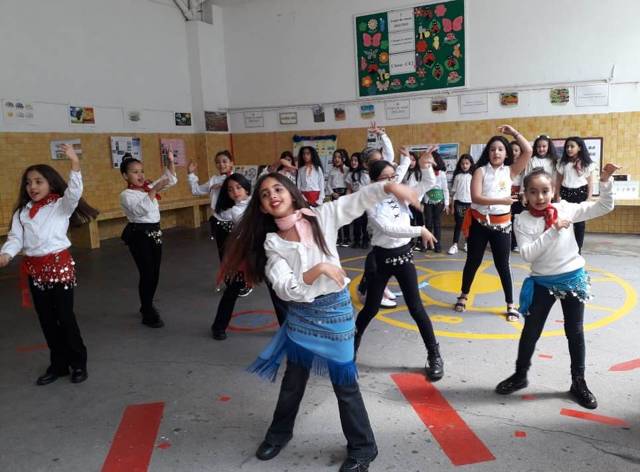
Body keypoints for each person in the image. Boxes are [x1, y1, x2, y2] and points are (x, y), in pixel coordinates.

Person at [220, 172, 419, 472]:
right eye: (265, 194)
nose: (272, 195)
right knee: (293, 381)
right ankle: (279, 434)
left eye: (278, 189)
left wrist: (389, 186)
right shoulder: (272, 242)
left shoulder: (322, 216)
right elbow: (286, 289)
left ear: (291, 193)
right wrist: (319, 269)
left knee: (345, 384)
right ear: (261, 207)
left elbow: (358, 200)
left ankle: (364, 447)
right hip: (300, 316)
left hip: (335, 313)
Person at [495, 163, 619, 409]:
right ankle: (520, 375)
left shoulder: (565, 209)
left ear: (553, 190)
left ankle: (578, 382)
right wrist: (553, 230)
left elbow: (603, 206)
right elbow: (528, 254)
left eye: (544, 191)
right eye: (533, 192)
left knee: (575, 331)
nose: (540, 197)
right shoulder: (522, 220)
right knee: (531, 330)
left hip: (573, 278)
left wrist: (605, 182)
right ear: (525, 194)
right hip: (543, 281)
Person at [0, 144, 98, 385]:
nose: (32, 187)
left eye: (38, 181)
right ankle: (58, 364)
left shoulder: (60, 205)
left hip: (59, 268)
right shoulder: (22, 213)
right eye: (28, 183)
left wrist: (75, 163)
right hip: (34, 271)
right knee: (46, 319)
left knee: (65, 316)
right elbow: (16, 238)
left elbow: (74, 193)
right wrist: (6, 254)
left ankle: (78, 362)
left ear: (51, 184)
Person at [354, 149, 443, 381]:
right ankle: (350, 350)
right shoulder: (370, 202)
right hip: (381, 260)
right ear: (374, 181)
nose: (392, 181)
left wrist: (425, 166)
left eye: (393, 177)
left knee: (416, 308)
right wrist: (420, 230)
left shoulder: (399, 193)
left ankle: (434, 354)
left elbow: (426, 185)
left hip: (403, 258)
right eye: (385, 178)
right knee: (370, 309)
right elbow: (387, 229)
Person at [454, 125, 532, 321]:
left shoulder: (510, 171)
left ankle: (510, 304)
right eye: (492, 149)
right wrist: (502, 201)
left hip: (502, 226)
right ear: (487, 153)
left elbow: (528, 151)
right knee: (473, 261)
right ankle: (463, 295)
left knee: (503, 265)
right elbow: (476, 198)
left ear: (506, 153)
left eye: (500, 149)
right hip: (480, 224)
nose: (496, 152)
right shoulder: (480, 171)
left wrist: (514, 133)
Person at [120, 151, 177, 328]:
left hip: (154, 233)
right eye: (135, 172)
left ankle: (147, 303)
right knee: (147, 273)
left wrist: (170, 162)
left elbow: (170, 179)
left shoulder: (147, 188)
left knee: (155, 273)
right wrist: (154, 189)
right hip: (139, 235)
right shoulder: (126, 195)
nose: (140, 175)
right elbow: (140, 210)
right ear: (125, 176)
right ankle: (147, 311)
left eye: (141, 171)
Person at [210, 174, 255, 339]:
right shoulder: (236, 210)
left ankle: (287, 324)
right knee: (233, 288)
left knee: (276, 290)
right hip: (246, 252)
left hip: (267, 251)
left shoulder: (257, 201)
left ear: (246, 188)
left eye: (238, 187)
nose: (235, 192)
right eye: (230, 190)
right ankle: (218, 326)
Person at [556, 137, 597, 253]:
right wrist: (557, 195)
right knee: (565, 222)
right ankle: (565, 249)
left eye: (572, 146)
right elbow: (558, 181)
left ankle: (578, 250)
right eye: (567, 147)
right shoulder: (562, 163)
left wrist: (589, 198)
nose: (569, 149)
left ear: (579, 148)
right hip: (565, 193)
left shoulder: (586, 164)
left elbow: (590, 183)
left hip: (580, 194)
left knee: (579, 224)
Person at [187, 150, 234, 248]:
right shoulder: (214, 179)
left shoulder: (236, 178)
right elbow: (196, 191)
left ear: (231, 163)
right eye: (218, 162)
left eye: (224, 161)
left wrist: (223, 185)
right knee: (222, 250)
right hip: (219, 220)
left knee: (237, 251)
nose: (221, 164)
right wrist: (190, 174)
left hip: (236, 221)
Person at [422, 151, 449, 253]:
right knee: (428, 223)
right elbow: (423, 187)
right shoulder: (424, 172)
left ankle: (437, 244)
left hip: (439, 202)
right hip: (428, 201)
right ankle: (428, 243)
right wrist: (421, 202)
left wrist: (446, 204)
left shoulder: (441, 174)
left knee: (437, 223)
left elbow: (445, 189)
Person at [447, 154, 474, 255]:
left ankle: (467, 243)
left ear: (471, 164)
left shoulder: (473, 176)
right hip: (458, 203)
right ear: (460, 164)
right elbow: (453, 192)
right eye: (462, 163)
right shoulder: (457, 176)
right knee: (458, 225)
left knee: (469, 225)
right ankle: (455, 245)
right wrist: (452, 206)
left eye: (467, 163)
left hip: (470, 204)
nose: (464, 165)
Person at [403, 152, 426, 252]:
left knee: (420, 222)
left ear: (416, 161)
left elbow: (422, 189)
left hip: (417, 202)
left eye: (413, 160)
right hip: (407, 203)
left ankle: (421, 242)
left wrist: (416, 201)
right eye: (409, 160)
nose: (411, 162)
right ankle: (411, 241)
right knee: (410, 222)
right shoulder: (405, 172)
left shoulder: (419, 173)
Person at [345, 152, 369, 249]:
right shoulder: (350, 174)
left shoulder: (365, 174)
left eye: (355, 160)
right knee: (356, 222)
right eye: (352, 160)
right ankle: (356, 240)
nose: (353, 162)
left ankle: (365, 240)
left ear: (360, 162)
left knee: (365, 222)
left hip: (365, 201)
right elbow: (349, 189)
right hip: (355, 201)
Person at [327, 149, 350, 246]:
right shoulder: (332, 170)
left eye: (339, 157)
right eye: (335, 157)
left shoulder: (347, 169)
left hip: (344, 194)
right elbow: (328, 184)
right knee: (336, 217)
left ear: (343, 158)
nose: (336, 159)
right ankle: (338, 238)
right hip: (335, 195)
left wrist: (346, 194)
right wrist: (332, 193)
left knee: (345, 217)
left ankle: (347, 238)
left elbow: (349, 183)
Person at [509, 141, 525, 252]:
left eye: (516, 150)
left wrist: (522, 194)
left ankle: (515, 243)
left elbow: (524, 180)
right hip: (506, 195)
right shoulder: (506, 164)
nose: (514, 152)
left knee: (517, 220)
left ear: (520, 152)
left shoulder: (523, 164)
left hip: (519, 195)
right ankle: (507, 243)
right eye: (512, 150)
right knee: (507, 220)